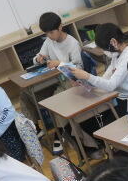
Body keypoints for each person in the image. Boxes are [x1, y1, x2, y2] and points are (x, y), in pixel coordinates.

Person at [22, 11, 85, 154]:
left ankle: (60, 134)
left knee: (55, 99)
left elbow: (79, 68)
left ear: (60, 27)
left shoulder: (72, 44)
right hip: (53, 79)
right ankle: (35, 128)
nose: (49, 36)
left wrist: (59, 63)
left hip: (70, 81)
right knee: (26, 94)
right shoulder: (49, 41)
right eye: (46, 33)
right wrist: (38, 58)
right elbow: (39, 56)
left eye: (51, 32)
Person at [64, 23, 128, 117]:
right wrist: (83, 81)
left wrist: (87, 76)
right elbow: (105, 78)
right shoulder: (116, 56)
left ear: (114, 42)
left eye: (105, 49)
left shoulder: (127, 58)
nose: (104, 52)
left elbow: (111, 85)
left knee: (96, 117)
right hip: (121, 99)